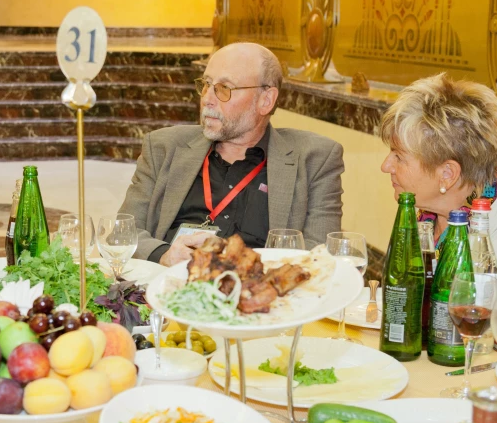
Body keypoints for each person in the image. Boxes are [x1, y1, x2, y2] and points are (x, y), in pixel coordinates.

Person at [118, 42, 344, 266]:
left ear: (265, 100)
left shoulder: (315, 159)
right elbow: (123, 233)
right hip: (168, 288)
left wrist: (237, 262)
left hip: (259, 295)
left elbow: (321, 255)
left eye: (224, 88)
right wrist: (164, 254)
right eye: (206, 84)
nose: (207, 98)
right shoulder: (163, 147)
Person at [379, 72, 497, 291]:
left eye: (399, 157)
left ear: (447, 173)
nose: (385, 166)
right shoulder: (427, 215)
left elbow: (492, 321)